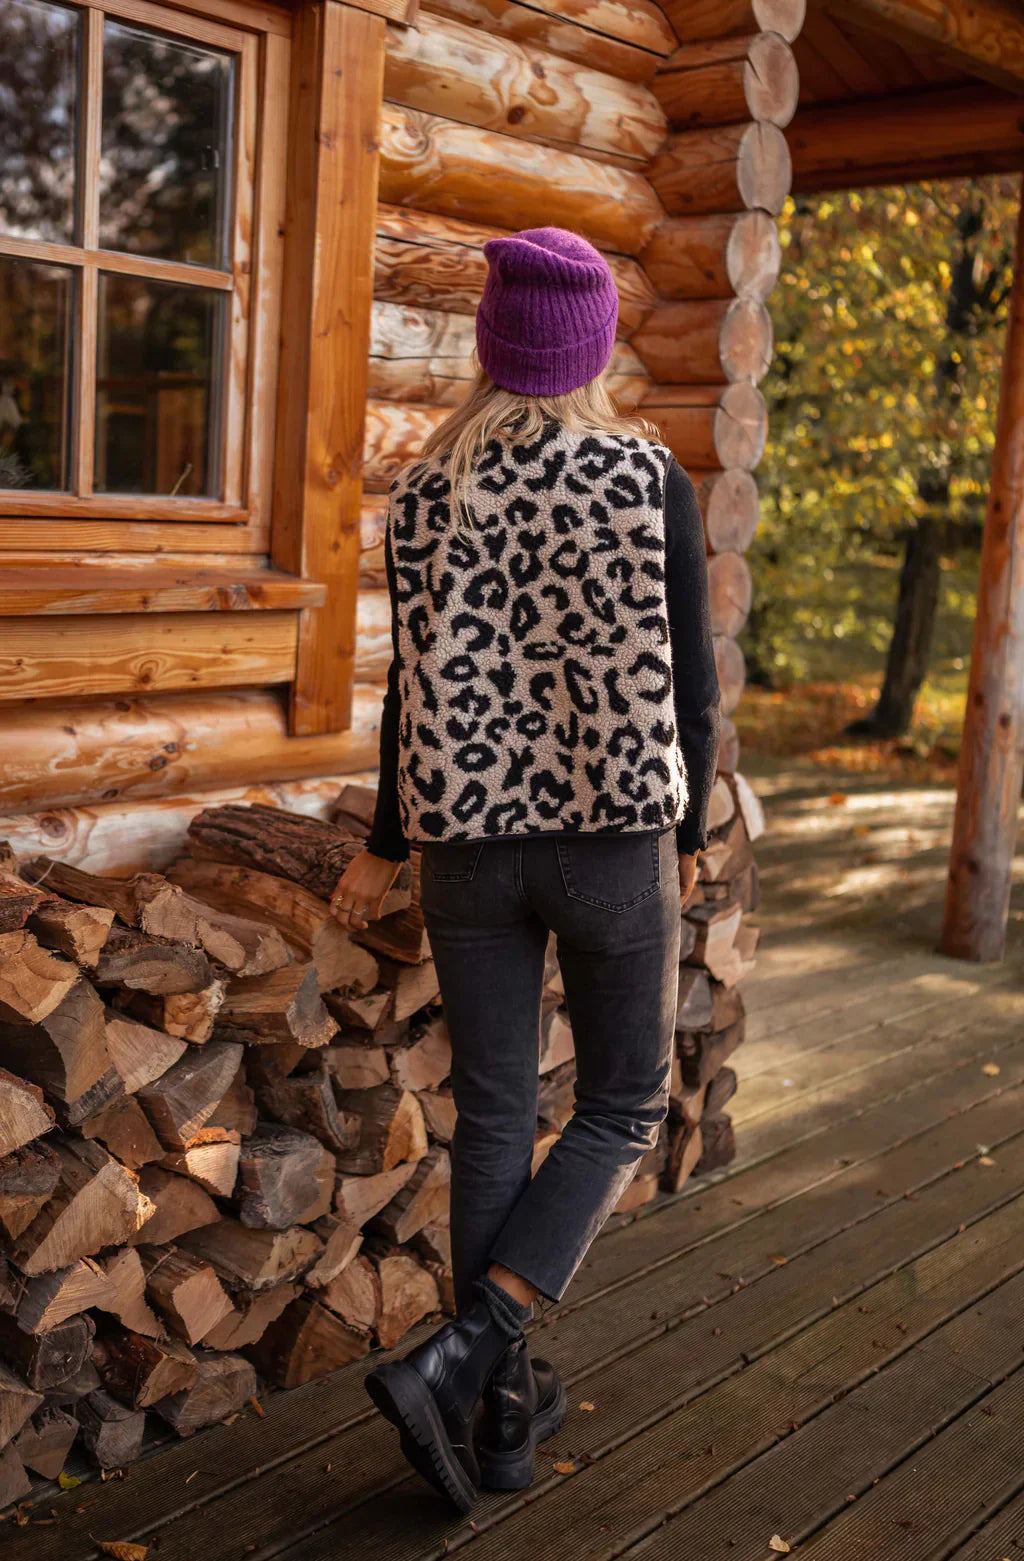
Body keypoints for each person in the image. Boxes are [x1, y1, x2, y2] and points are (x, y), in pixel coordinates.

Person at [330, 226, 720, 1513]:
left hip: (466, 854)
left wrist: (388, 845)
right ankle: (462, 1351)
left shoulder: (427, 491)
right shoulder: (643, 475)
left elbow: (408, 696)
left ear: (494, 343)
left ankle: (495, 1426)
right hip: (613, 843)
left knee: (495, 1116)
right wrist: (690, 830)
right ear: (593, 347)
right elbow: (696, 691)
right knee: (621, 1105)